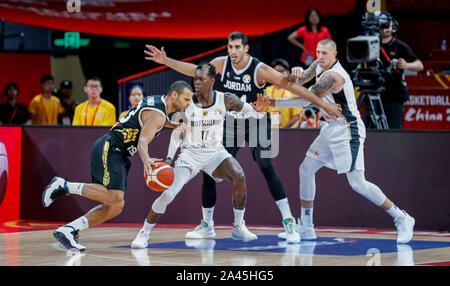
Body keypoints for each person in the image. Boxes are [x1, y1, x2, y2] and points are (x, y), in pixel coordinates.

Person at [144, 31, 342, 244]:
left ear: (246, 48)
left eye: (238, 47)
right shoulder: (221, 63)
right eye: (230, 47)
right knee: (209, 168)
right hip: (231, 122)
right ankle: (207, 225)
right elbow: (195, 70)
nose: (233, 51)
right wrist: (166, 61)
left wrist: (324, 104)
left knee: (266, 165)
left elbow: (292, 86)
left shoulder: (259, 69)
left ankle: (288, 222)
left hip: (256, 118)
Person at [269, 39, 415, 244]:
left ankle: (402, 218)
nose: (320, 56)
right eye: (318, 52)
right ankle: (307, 227)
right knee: (306, 169)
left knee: (358, 183)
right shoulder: (318, 65)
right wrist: (295, 75)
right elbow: (298, 85)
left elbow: (306, 99)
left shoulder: (332, 76)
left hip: (348, 129)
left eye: (324, 53)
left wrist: (273, 101)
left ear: (334, 55)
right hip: (330, 127)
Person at [41, 80, 193, 251]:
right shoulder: (158, 113)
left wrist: (172, 124)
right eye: (186, 99)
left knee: (116, 206)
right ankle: (64, 185)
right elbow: (143, 140)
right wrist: (147, 160)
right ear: (174, 95)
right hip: (112, 146)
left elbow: (151, 119)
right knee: (114, 197)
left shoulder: (157, 102)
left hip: (118, 152)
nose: (189, 103)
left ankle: (70, 229)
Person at [131, 63, 269, 248]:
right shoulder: (187, 103)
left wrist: (260, 111)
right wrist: (170, 159)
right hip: (190, 154)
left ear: (212, 81)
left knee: (239, 175)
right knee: (169, 194)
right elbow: (178, 133)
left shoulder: (227, 99)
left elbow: (253, 113)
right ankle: (144, 233)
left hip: (215, 153)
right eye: (195, 78)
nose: (196, 82)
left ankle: (238, 226)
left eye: (201, 79)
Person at [363, 13, 423, 129]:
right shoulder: (370, 44)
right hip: (374, 93)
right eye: (381, 25)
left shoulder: (400, 46)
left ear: (392, 26)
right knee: (369, 131)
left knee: (394, 130)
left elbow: (419, 65)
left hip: (394, 95)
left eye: (387, 25)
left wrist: (406, 65)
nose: (384, 28)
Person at [265, 59, 302, 128]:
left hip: (286, 133)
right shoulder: (266, 91)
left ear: (288, 73)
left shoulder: (293, 91)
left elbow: (297, 116)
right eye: (275, 71)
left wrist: (284, 130)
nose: (278, 74)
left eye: (281, 71)